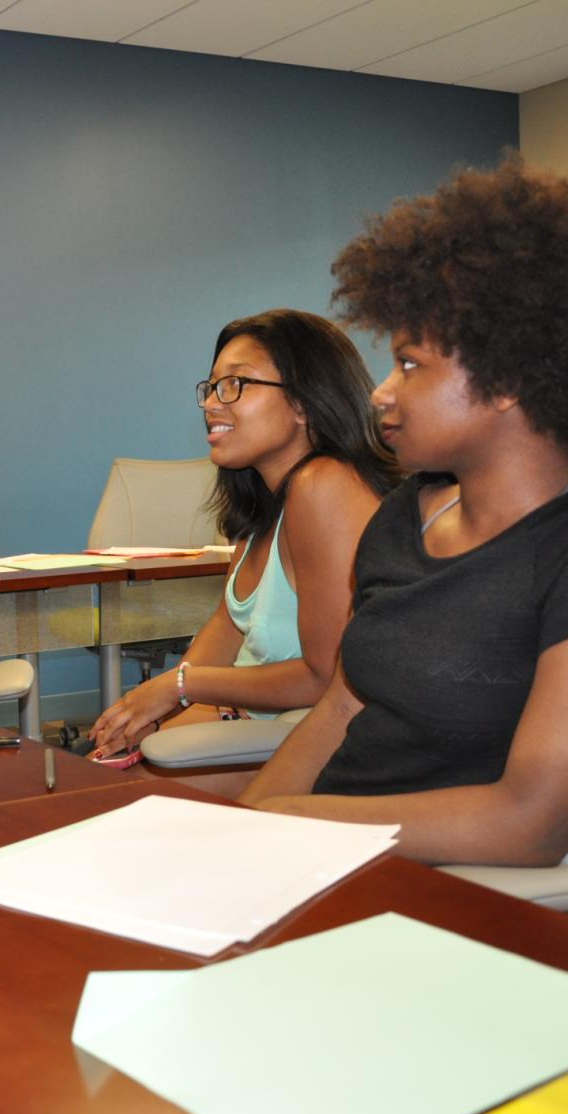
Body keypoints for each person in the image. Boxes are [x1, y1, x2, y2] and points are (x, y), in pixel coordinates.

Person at [240, 159, 568, 867]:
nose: (382, 393)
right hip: (323, 859)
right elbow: (343, 709)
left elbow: (530, 822)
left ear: (508, 377)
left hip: (443, 893)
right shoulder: (400, 518)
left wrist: (290, 826)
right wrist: (243, 828)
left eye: (410, 365)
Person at [88, 309, 400, 764]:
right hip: (256, 723)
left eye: (236, 383)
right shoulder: (266, 506)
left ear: (303, 400)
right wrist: (152, 711)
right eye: (212, 387)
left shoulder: (324, 485)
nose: (213, 403)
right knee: (99, 765)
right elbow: (226, 628)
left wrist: (179, 686)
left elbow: (327, 675)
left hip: (313, 741)